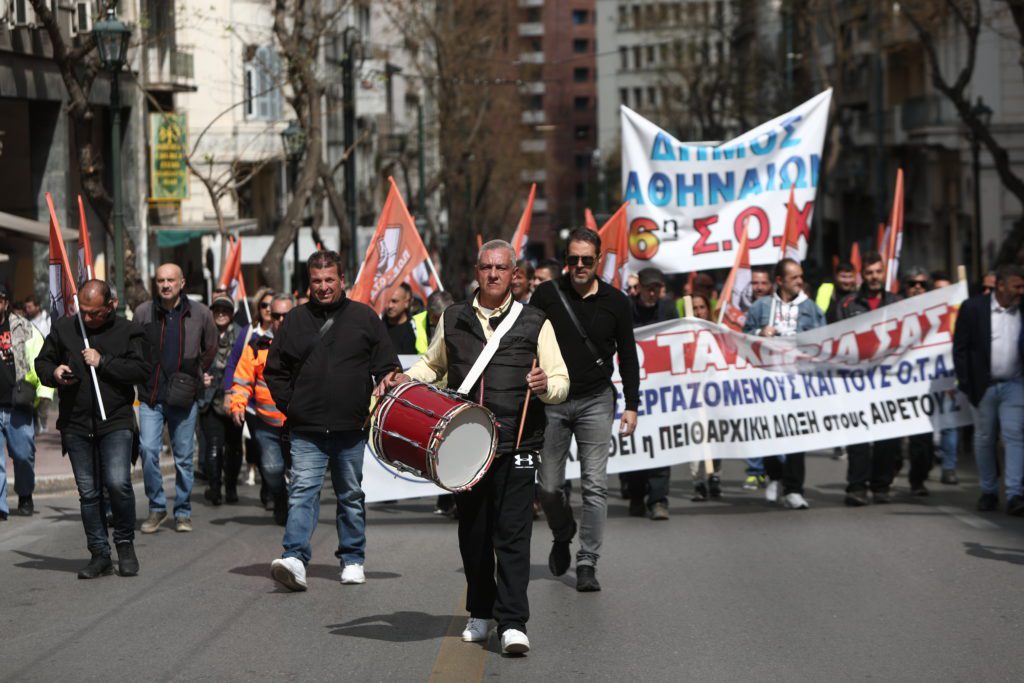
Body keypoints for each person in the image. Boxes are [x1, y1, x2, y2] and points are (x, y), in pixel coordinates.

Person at [393, 239, 569, 655]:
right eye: (486, 267)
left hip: (519, 442)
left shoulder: (536, 322)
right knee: (473, 534)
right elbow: (432, 366)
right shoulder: (453, 318)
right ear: (477, 271)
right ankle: (481, 612)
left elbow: (561, 381)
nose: (493, 275)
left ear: (514, 274)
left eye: (501, 268)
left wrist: (546, 386)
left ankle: (512, 622)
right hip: (463, 446)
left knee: (512, 533)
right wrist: (404, 378)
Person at [265, 250, 401, 591]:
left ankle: (353, 558)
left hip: (351, 429)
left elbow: (387, 363)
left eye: (329, 280)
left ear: (343, 281)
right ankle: (294, 557)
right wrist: (292, 406)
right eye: (316, 281)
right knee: (301, 493)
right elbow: (275, 371)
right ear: (308, 283)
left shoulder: (365, 318)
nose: (323, 287)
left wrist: (387, 377)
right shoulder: (294, 321)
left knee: (350, 496)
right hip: (305, 430)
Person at [530, 228, 640, 593]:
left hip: (596, 400)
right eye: (573, 259)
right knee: (547, 487)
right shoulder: (546, 295)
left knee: (595, 486)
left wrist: (632, 406)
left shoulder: (617, 301)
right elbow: (525, 341)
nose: (579, 265)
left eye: (586, 260)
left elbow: (628, 355)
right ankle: (562, 533)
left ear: (599, 260)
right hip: (553, 402)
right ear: (566, 260)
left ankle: (587, 560)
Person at [35, 280, 151, 577]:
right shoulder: (64, 328)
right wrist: (55, 372)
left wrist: (104, 361)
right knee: (88, 492)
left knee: (117, 483)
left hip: (115, 420)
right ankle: (99, 553)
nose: (86, 318)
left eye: (94, 313)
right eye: (82, 311)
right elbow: (43, 362)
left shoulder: (127, 330)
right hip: (76, 423)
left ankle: (124, 544)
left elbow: (140, 370)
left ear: (110, 305)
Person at [134, 264, 218, 533]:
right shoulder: (143, 313)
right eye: (161, 280)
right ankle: (157, 507)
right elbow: (134, 348)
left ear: (182, 283)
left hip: (184, 397)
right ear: (155, 283)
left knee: (183, 458)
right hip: (151, 396)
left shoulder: (201, 313)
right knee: (147, 451)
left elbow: (211, 346)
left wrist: (197, 374)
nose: (166, 285)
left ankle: (182, 511)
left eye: (171, 280)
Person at [744, 258, 826, 509]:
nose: (800, 281)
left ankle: (793, 488)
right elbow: (743, 337)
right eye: (794, 278)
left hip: (798, 381)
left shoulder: (811, 309)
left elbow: (823, 341)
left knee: (796, 435)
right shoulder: (761, 308)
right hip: (769, 382)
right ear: (780, 281)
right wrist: (759, 333)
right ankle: (775, 475)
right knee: (770, 430)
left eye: (801, 277)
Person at [953, 264, 1024, 516]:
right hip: (983, 386)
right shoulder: (973, 308)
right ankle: (989, 491)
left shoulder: (1022, 309)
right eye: (1017, 286)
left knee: (1014, 436)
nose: (1021, 291)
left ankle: (1015, 493)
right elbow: (960, 348)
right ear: (1001, 285)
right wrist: (966, 383)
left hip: (1015, 384)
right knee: (984, 439)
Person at [837, 252, 903, 505]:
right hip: (857, 382)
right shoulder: (846, 305)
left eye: (878, 271)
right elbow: (835, 343)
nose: (874, 277)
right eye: (869, 273)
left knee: (888, 435)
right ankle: (856, 486)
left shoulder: (898, 303)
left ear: (884, 272)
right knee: (858, 435)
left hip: (889, 381)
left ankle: (881, 485)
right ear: (861, 275)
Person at [230, 294, 294, 525]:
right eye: (276, 316)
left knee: (302, 475)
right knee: (272, 470)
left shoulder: (308, 344)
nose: (280, 320)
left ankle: (298, 513)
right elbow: (242, 380)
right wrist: (238, 404)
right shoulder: (256, 346)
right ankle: (279, 499)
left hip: (300, 424)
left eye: (287, 316)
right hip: (266, 423)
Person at [625, 267, 677, 519]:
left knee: (660, 442)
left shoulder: (668, 309)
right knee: (635, 444)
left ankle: (659, 500)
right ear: (640, 288)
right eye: (649, 288)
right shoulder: (626, 308)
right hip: (631, 387)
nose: (653, 293)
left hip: (661, 388)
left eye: (657, 288)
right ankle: (636, 496)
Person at [0, 285, 44, 520]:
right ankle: (0, 505)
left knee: (24, 454)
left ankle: (25, 494)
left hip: (19, 403)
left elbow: (40, 358)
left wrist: (43, 395)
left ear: (5, 303)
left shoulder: (23, 327)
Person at [225, 287, 276, 490]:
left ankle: (272, 492)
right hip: (254, 406)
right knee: (258, 446)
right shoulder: (249, 333)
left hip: (279, 407)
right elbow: (233, 363)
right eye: (264, 305)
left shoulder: (286, 332)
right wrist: (230, 392)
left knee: (275, 455)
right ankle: (268, 491)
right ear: (258, 308)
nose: (268, 310)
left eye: (272, 306)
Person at [198, 295, 243, 505]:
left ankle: (231, 487)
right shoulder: (203, 334)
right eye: (217, 310)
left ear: (232, 313)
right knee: (213, 445)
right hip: (209, 400)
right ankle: (215, 488)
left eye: (225, 310)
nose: (221, 313)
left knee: (233, 446)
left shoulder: (243, 335)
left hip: (235, 399)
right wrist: (201, 376)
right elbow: (192, 361)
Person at [901, 268, 937, 496]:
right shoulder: (893, 310)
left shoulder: (938, 312)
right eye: (912, 283)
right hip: (896, 382)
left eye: (922, 284)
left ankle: (918, 480)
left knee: (923, 440)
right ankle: (890, 469)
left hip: (925, 383)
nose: (917, 287)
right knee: (892, 438)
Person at [686, 292, 722, 501]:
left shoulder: (715, 333)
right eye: (695, 308)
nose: (699, 312)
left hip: (713, 394)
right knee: (695, 438)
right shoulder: (682, 336)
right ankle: (698, 481)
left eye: (702, 307)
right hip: (691, 395)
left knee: (716, 436)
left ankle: (715, 477)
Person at [741, 266, 774, 489]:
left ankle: (776, 471)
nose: (759, 287)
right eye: (755, 283)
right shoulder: (750, 308)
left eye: (763, 283)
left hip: (777, 375)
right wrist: (758, 334)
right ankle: (755, 469)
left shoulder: (775, 306)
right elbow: (745, 335)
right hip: (754, 375)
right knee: (755, 423)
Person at [931, 273, 960, 484]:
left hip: (950, 377)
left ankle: (949, 468)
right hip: (922, 380)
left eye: (946, 289)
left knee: (950, 423)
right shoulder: (923, 317)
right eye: (937, 289)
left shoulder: (959, 315)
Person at [413, 290, 454, 360]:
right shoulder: (414, 323)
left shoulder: (456, 321)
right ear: (431, 314)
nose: (445, 320)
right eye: (440, 317)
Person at [383, 283, 418, 355]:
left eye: (394, 301)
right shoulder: (377, 327)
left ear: (406, 303)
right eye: (387, 301)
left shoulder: (417, 328)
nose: (390, 306)